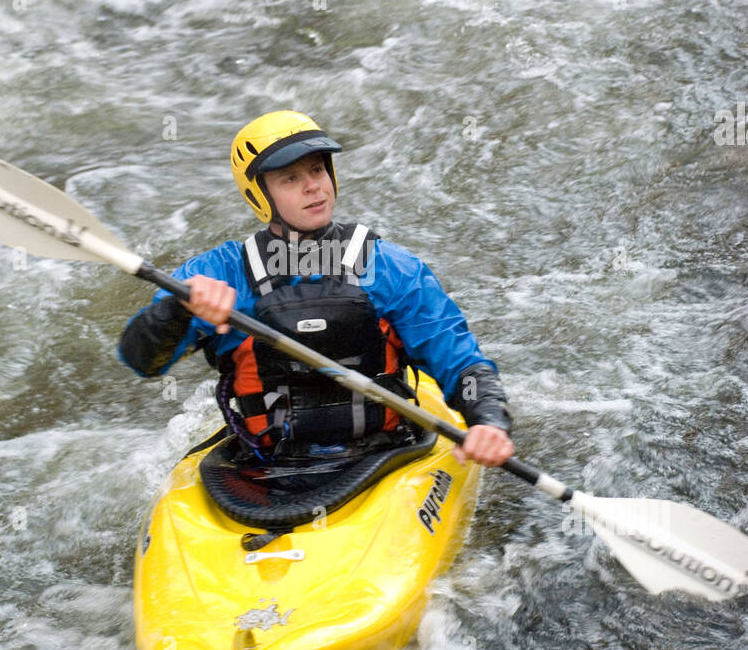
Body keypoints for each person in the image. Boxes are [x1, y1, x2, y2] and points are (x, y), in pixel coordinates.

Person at [118, 110, 515, 469]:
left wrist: (488, 419)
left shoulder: (388, 266)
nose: (313, 188)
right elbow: (142, 360)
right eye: (290, 178)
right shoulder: (216, 275)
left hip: (384, 458)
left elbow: (460, 360)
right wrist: (176, 310)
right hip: (267, 464)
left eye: (317, 171)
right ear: (259, 194)